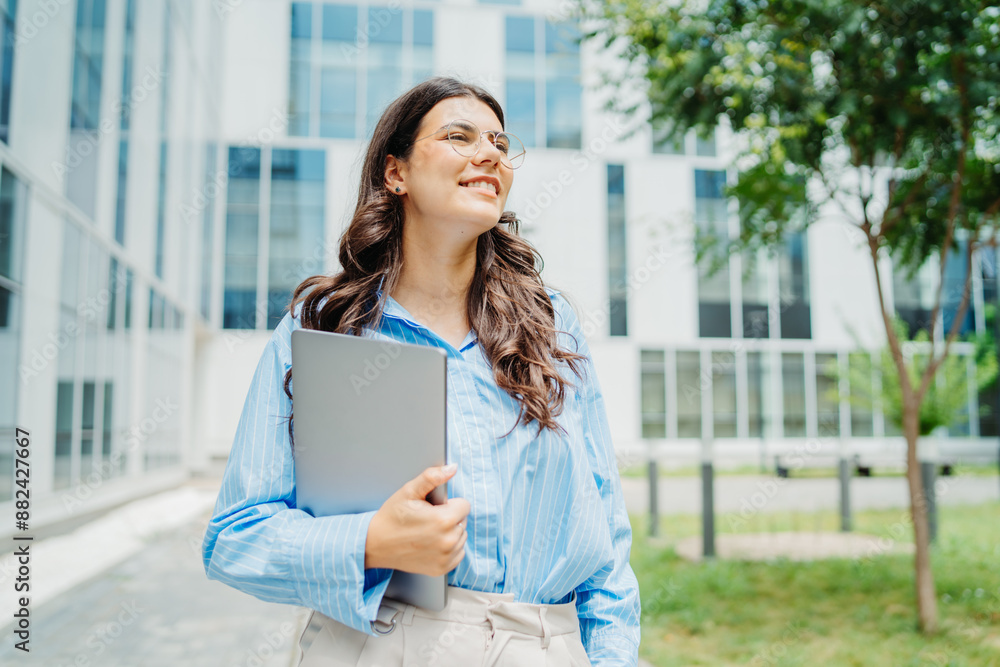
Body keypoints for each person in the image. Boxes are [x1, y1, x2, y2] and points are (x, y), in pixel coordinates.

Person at [202, 76, 641, 666]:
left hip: (543, 645)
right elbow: (233, 539)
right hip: (380, 644)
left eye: (499, 142)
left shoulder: (550, 324)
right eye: (459, 136)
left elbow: (606, 532)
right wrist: (368, 543)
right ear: (396, 173)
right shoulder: (323, 329)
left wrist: (611, 657)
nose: (489, 153)